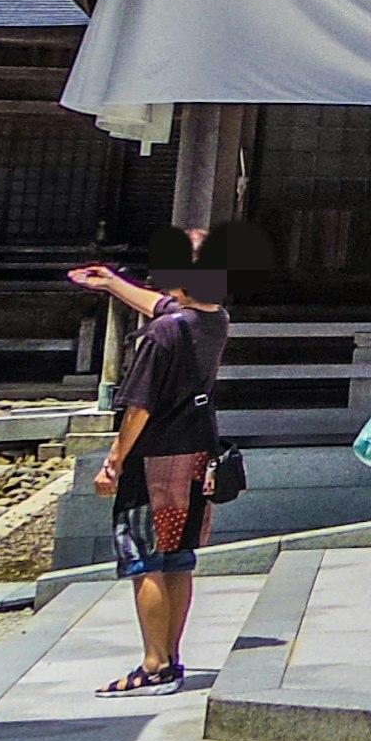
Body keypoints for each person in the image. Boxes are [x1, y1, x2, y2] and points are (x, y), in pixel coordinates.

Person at [67, 238, 231, 693]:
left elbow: (138, 408)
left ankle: (153, 662)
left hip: (155, 457)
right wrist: (112, 283)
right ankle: (172, 655)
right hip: (197, 454)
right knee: (179, 560)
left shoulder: (161, 334)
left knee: (146, 562)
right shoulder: (214, 320)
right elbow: (163, 304)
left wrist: (114, 461)